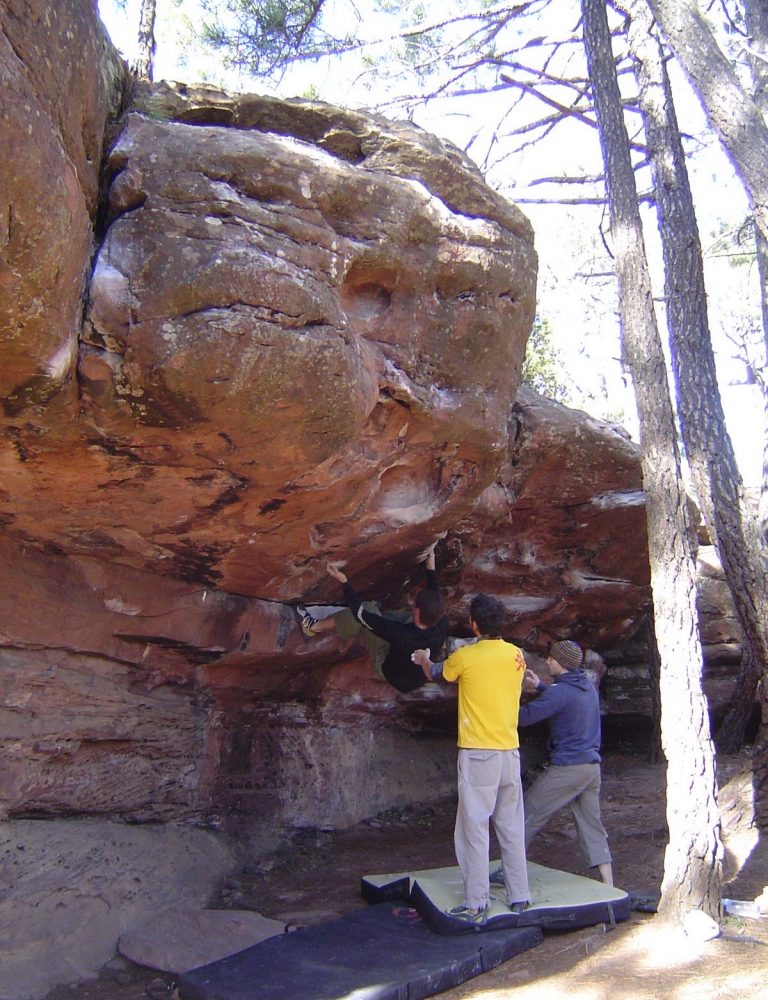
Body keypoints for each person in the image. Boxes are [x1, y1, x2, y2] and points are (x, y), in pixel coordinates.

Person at [412, 594, 530, 924]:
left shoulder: (467, 656)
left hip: (479, 753)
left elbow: (436, 673)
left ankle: (477, 902)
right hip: (510, 750)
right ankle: (519, 895)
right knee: (510, 825)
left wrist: (423, 656)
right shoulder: (516, 655)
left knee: (473, 827)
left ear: (475, 624)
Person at [511, 639, 613, 885]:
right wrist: (542, 688)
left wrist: (501, 700)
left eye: (550, 658)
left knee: (524, 815)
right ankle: (609, 883)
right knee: (591, 826)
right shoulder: (587, 686)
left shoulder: (559, 693)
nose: (547, 661)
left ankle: (510, 874)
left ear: (560, 662)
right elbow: (566, 699)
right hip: (591, 769)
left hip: (569, 769)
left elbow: (523, 718)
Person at [298, 543, 449, 694]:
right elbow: (433, 600)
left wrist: (343, 581)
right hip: (416, 675)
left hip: (391, 672)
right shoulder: (441, 624)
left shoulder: (400, 634)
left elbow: (360, 614)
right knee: (400, 619)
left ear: (416, 611)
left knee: (368, 609)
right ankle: (381, 618)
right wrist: (431, 569)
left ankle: (313, 627)